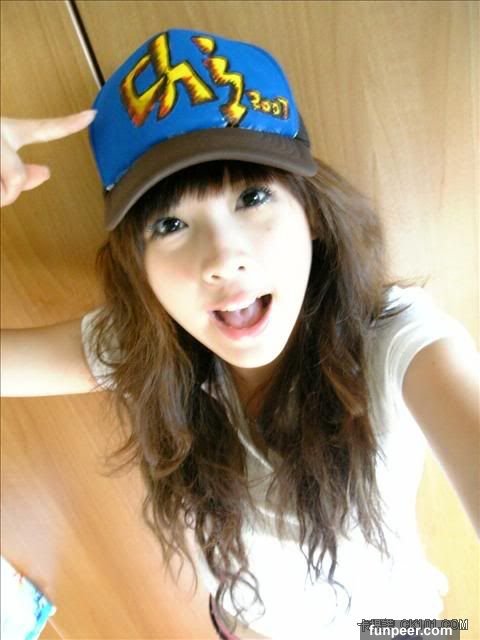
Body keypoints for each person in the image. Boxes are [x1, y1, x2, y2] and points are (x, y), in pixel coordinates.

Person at [1, 28, 478, 640]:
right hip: (243, 623)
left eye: (252, 196)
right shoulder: (148, 344)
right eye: (170, 224)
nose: (223, 258)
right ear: (138, 266)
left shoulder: (394, 342)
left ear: (311, 213)